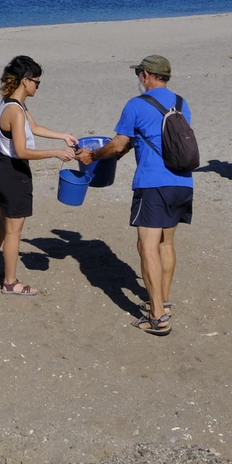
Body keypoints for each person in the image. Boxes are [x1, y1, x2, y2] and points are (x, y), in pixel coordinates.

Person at [75, 55, 194, 336]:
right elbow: (148, 138)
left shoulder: (136, 104)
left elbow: (117, 145)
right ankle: (162, 301)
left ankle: (157, 317)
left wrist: (93, 155)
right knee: (166, 243)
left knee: (147, 246)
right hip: (183, 182)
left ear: (146, 75)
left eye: (139, 73)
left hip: (152, 184)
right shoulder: (181, 103)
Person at [0, 55, 75, 290]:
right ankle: (10, 282)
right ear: (25, 80)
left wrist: (63, 136)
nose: (38, 86)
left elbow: (33, 127)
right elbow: (21, 151)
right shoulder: (16, 111)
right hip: (13, 172)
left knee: (3, 221)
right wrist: (55, 153)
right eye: (36, 82)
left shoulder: (11, 102)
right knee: (14, 231)